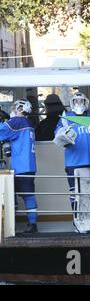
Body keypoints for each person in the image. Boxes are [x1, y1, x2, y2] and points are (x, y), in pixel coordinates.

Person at [54, 92, 90, 234]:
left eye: (81, 100)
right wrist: (64, 135)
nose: (79, 103)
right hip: (75, 162)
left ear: (86, 102)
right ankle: (77, 222)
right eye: (76, 101)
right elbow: (58, 136)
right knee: (77, 193)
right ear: (72, 102)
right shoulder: (66, 117)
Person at [0, 99, 38, 233]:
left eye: (15, 107)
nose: (13, 110)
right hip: (29, 165)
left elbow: (1, 131)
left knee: (20, 195)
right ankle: (31, 223)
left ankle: (30, 225)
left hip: (21, 166)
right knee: (25, 194)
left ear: (21, 109)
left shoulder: (17, 121)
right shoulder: (28, 122)